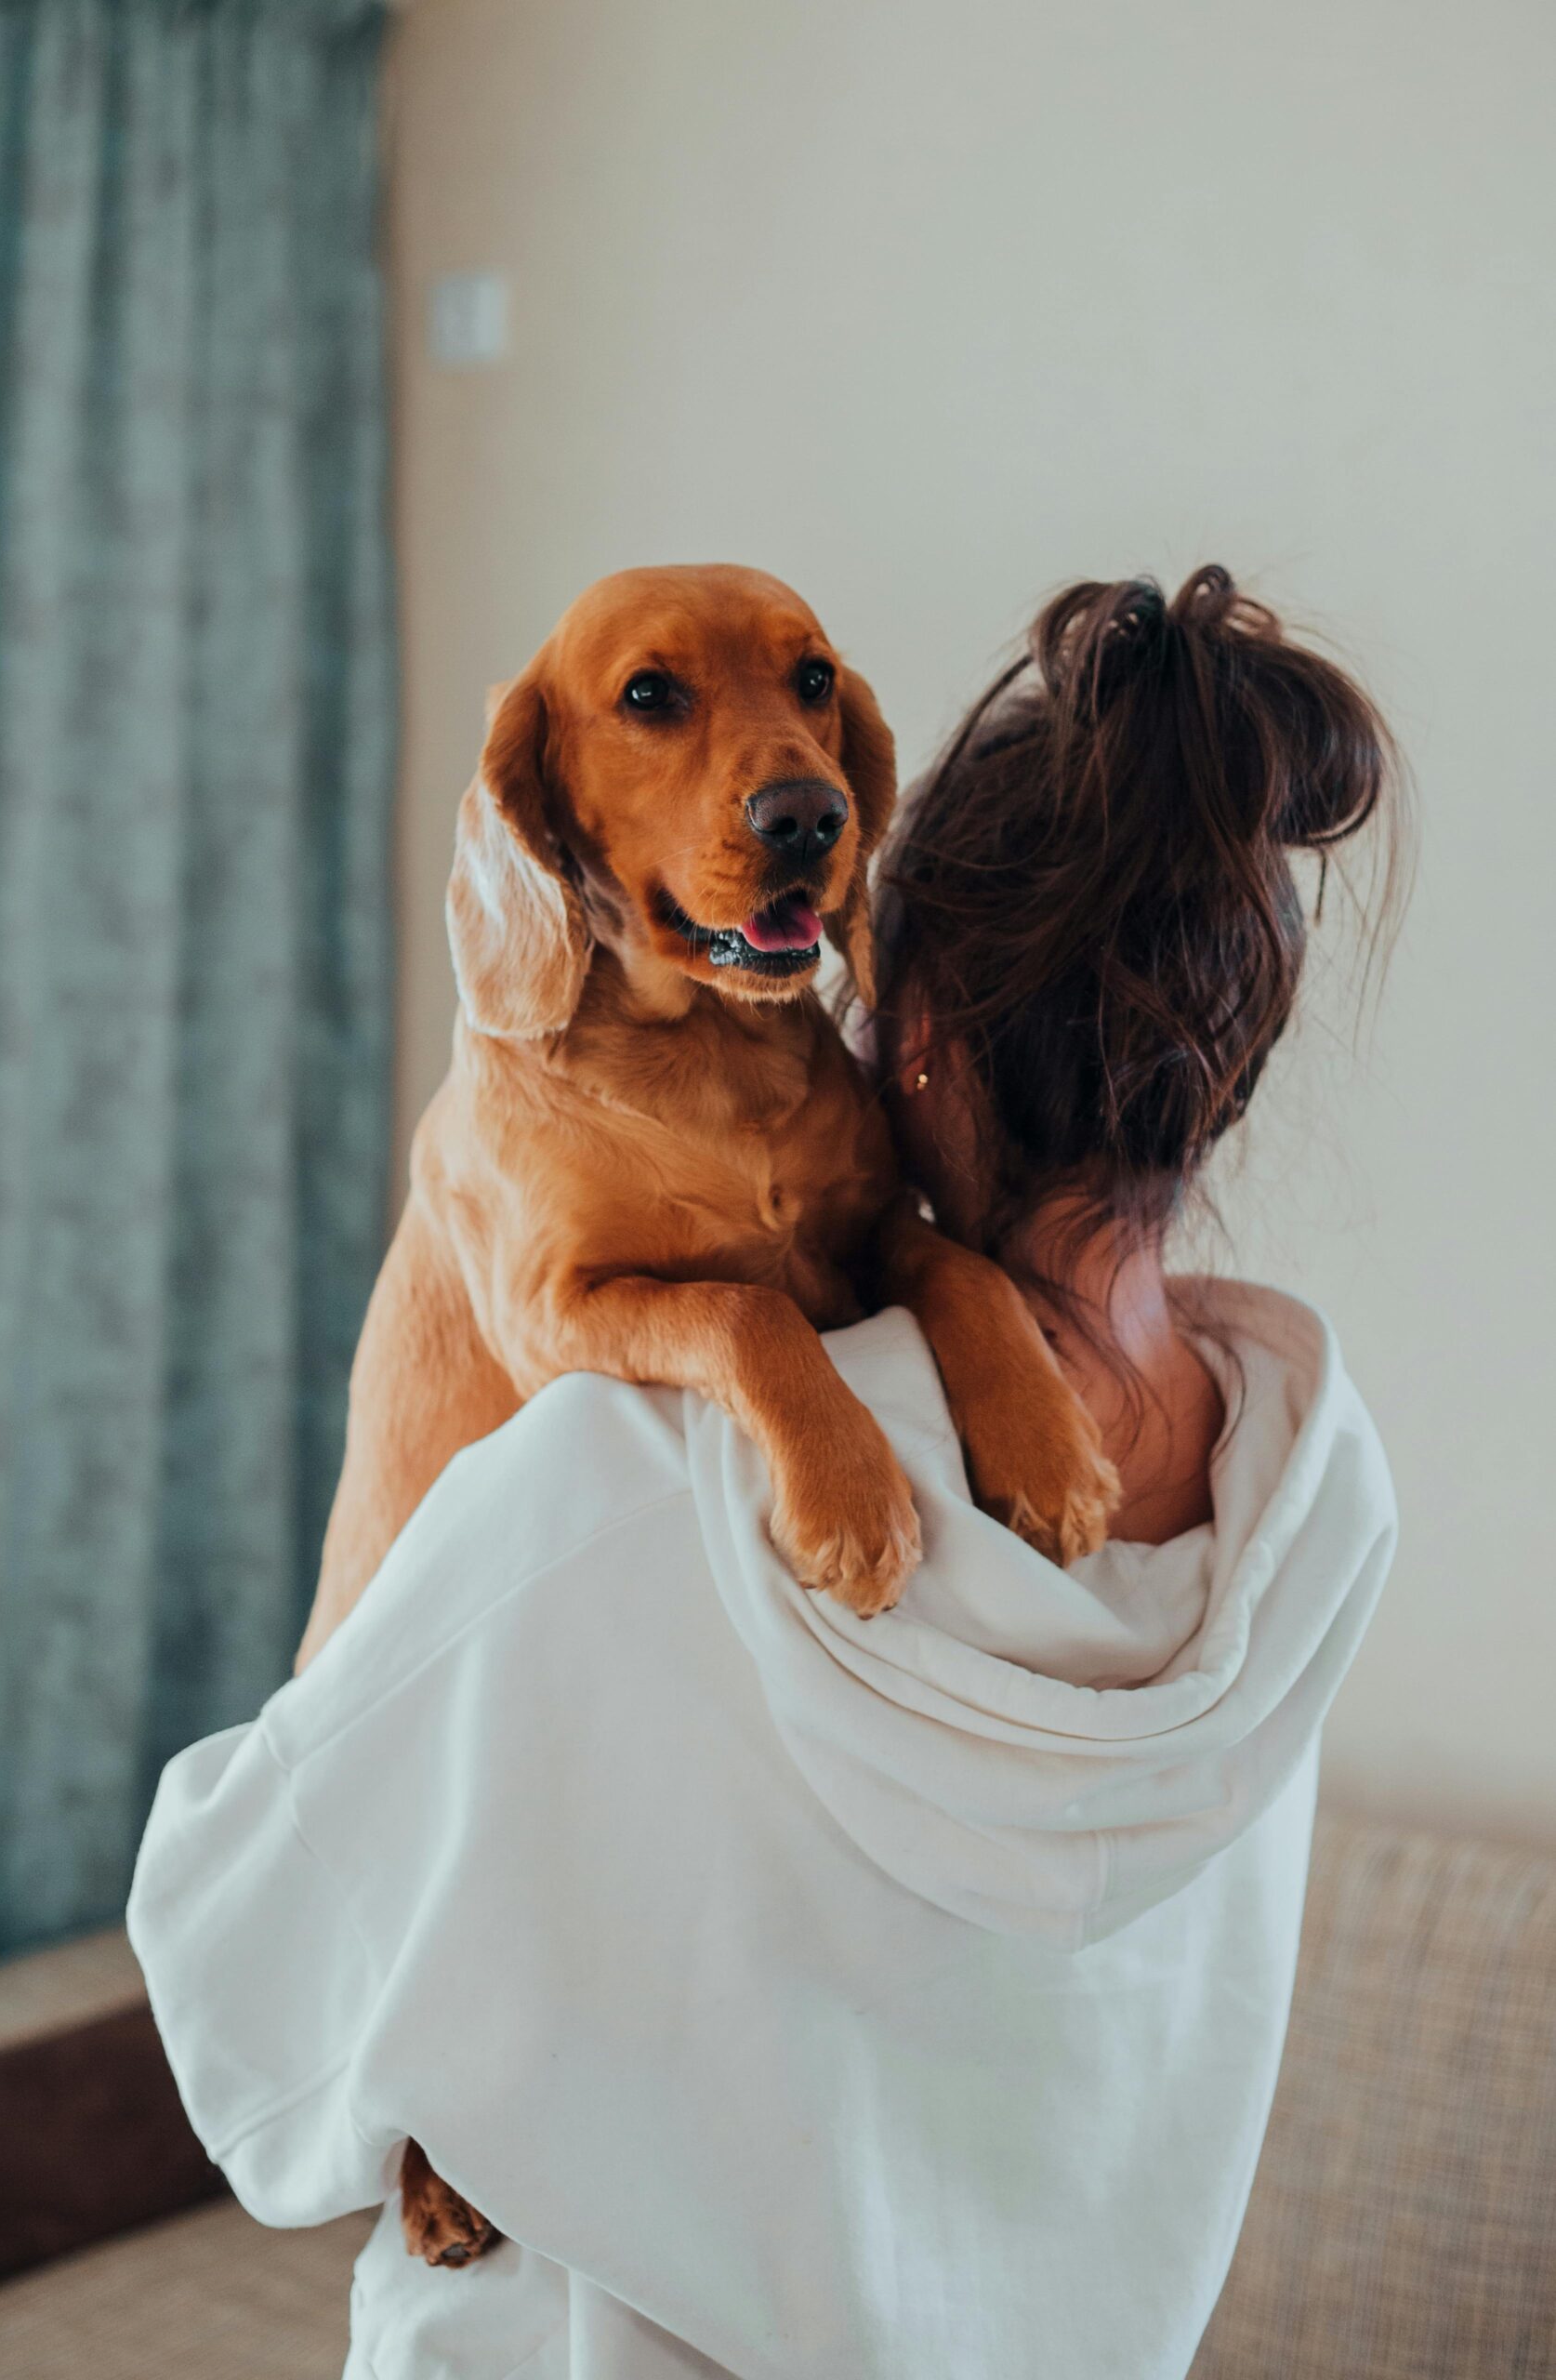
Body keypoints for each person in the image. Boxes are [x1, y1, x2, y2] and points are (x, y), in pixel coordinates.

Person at [128, 565, 1404, 2380]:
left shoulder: (638, 1488)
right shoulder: (1319, 1496)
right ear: (1227, 1063)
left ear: (917, 1036)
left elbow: (240, 1943)